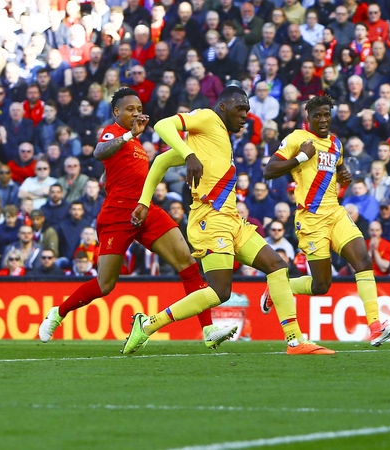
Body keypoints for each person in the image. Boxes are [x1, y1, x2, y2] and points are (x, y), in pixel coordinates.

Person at [123, 86, 333, 355]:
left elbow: (162, 160)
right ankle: (149, 324)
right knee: (220, 292)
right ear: (223, 107)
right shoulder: (208, 119)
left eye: (247, 110)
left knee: (277, 266)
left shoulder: (215, 138)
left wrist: (145, 200)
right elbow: (164, 125)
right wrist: (188, 156)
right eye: (240, 109)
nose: (245, 115)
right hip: (209, 219)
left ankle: (295, 341)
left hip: (233, 220)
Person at [38, 88, 236, 350]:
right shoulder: (115, 132)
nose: (136, 113)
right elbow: (99, 152)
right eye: (129, 109)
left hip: (146, 209)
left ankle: (208, 329)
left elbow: (115, 172)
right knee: (105, 284)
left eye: (139, 108)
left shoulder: (136, 143)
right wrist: (130, 135)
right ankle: (58, 313)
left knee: (187, 262)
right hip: (118, 214)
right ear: (116, 112)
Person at [264, 94, 390, 347]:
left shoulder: (336, 143)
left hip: (335, 213)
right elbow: (269, 170)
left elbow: (335, 167)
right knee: (321, 285)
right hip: (310, 219)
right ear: (308, 118)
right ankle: (280, 287)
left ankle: (375, 326)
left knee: (362, 259)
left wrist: (342, 173)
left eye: (327, 114)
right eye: (317, 115)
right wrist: (301, 158)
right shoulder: (296, 139)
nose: (323, 119)